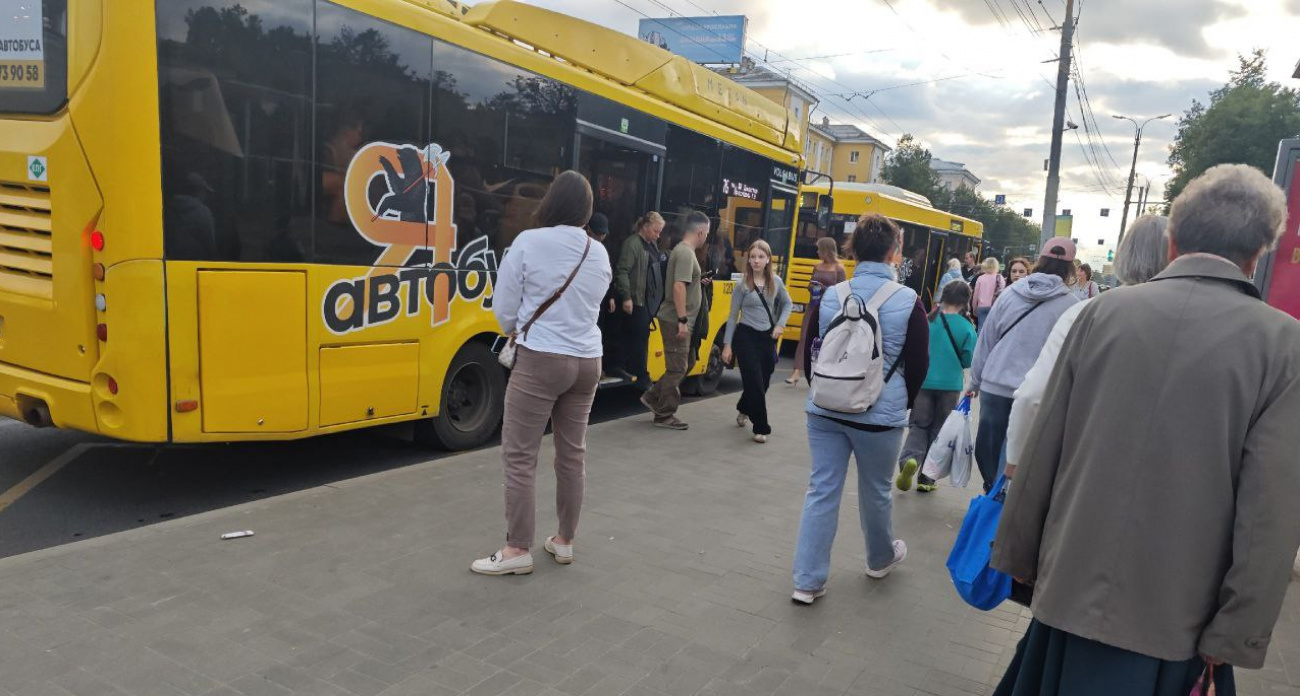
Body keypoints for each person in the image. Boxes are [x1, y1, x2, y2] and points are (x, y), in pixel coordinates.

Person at [991, 164, 1300, 694]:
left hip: (1070, 590)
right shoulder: (1284, 345)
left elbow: (1045, 444)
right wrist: (1236, 631)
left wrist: (1019, 551)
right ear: (1258, 253)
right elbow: (1270, 510)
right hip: (1178, 621)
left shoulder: (1100, 313)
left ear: (1173, 241)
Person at [471, 171, 611, 576]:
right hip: (588, 361)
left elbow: (503, 311)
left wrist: (519, 325)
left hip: (541, 359)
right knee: (572, 454)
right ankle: (564, 541)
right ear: (586, 209)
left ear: (551, 201)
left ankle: (517, 548)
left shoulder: (528, 242)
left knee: (520, 455)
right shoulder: (599, 252)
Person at [791, 213, 930, 604]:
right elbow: (919, 363)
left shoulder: (833, 295)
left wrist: (824, 387)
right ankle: (879, 559)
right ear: (894, 251)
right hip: (879, 417)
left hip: (825, 410)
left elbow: (815, 345)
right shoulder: (909, 301)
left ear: (852, 251)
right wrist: (900, 400)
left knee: (822, 490)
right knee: (876, 491)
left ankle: (807, 581)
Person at [1003, 217, 1169, 479]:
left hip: (1085, 468)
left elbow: (1032, 396)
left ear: (1124, 257)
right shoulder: (1203, 324)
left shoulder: (1085, 314)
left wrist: (1015, 459)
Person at [968, 239, 1078, 492]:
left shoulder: (1009, 294)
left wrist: (974, 380)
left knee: (988, 450)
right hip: (1037, 393)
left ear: (1040, 261)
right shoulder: (1071, 306)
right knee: (1015, 454)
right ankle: (1002, 496)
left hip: (995, 385)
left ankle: (992, 492)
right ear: (1070, 268)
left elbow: (986, 339)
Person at [897, 280, 975, 493]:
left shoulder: (928, 320)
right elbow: (968, 360)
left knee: (918, 425)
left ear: (944, 296)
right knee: (939, 430)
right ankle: (927, 478)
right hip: (950, 386)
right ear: (965, 301)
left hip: (923, 382)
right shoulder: (967, 327)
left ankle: (910, 460)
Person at [640, 211, 710, 430]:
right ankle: (664, 414)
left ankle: (652, 397)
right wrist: (682, 320)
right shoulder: (686, 253)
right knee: (677, 368)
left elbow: (684, 283)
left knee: (688, 362)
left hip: (680, 318)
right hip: (676, 320)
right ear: (701, 232)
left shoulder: (683, 251)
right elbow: (678, 286)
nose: (706, 237)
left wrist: (698, 282)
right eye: (707, 233)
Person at [722, 240, 793, 444]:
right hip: (746, 337)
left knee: (764, 380)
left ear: (768, 259)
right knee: (754, 381)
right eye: (752, 256)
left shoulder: (776, 281)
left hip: (767, 337)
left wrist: (780, 325)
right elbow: (732, 316)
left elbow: (788, 304)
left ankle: (744, 407)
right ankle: (761, 427)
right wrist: (727, 345)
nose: (756, 260)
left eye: (760, 257)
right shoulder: (742, 285)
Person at [613, 212, 666, 389]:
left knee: (641, 337)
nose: (658, 235)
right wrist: (627, 297)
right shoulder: (633, 244)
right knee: (639, 339)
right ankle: (642, 376)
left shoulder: (651, 245)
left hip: (646, 301)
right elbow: (622, 271)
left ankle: (636, 372)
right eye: (656, 231)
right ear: (645, 227)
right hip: (636, 300)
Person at [787, 236, 846, 385]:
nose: (817, 252)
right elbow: (810, 283)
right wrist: (812, 287)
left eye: (819, 249)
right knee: (804, 337)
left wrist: (824, 288)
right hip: (813, 306)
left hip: (829, 309)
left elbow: (842, 291)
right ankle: (796, 372)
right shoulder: (817, 266)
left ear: (827, 250)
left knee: (825, 339)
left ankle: (822, 372)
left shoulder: (839, 269)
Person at [971, 257, 1005, 329]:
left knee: (981, 327)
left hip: (981, 307)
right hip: (994, 307)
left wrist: (974, 308)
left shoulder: (980, 278)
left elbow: (975, 295)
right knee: (992, 328)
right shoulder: (999, 277)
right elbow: (1003, 293)